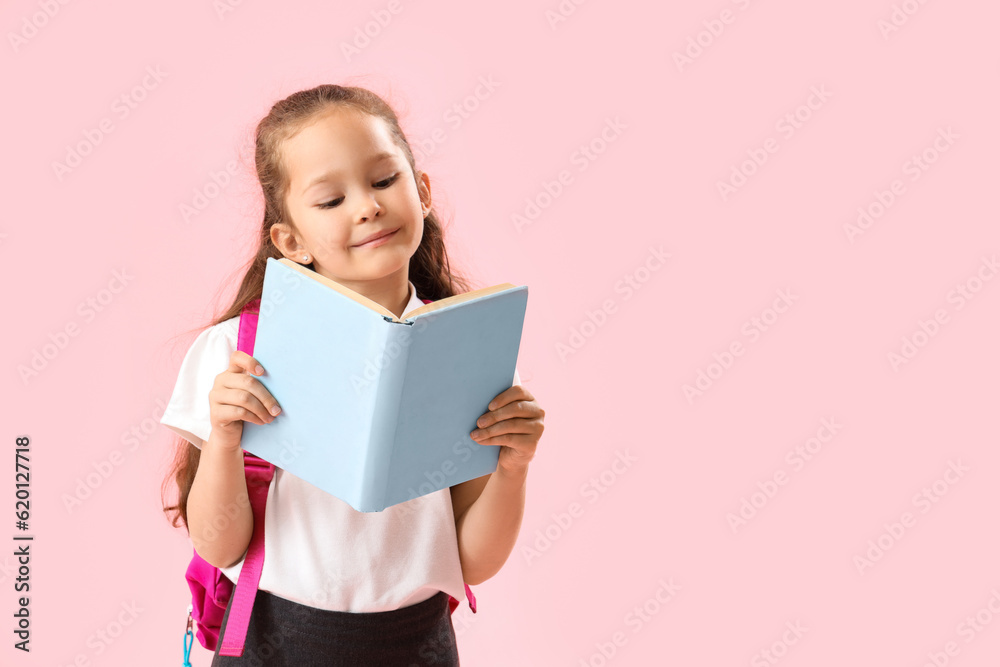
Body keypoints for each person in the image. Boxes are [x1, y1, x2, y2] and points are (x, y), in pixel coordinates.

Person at [159, 83, 546, 666]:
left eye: (384, 181)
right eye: (330, 200)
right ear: (290, 241)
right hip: (273, 639)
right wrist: (224, 439)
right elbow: (217, 545)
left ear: (422, 191)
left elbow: (473, 563)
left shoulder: (467, 350)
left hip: (415, 644)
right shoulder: (236, 352)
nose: (366, 207)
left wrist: (513, 469)